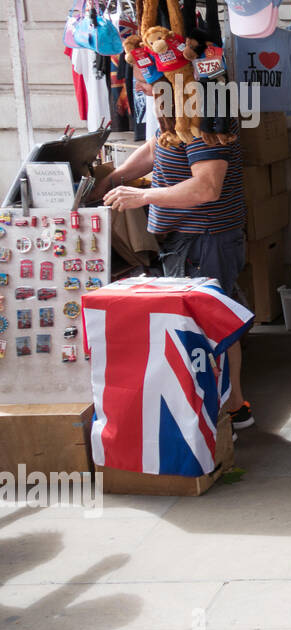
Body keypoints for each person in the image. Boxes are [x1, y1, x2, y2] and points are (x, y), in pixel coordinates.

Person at [95, 131, 254, 430]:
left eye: (143, 80)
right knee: (210, 325)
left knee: (205, 329)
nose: (139, 86)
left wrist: (142, 195)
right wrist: (116, 177)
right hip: (192, 239)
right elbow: (158, 145)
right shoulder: (176, 110)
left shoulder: (202, 112)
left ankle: (223, 417)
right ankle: (231, 410)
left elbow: (207, 187)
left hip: (203, 238)